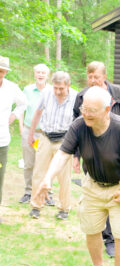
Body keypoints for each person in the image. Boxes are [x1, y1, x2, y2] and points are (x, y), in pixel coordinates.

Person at [33, 86, 120, 266]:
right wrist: (47, 178)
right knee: (91, 229)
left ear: (107, 109)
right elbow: (63, 154)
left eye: (92, 110)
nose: (86, 113)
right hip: (93, 185)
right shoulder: (79, 126)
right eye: (84, 108)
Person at [73, 61, 120, 258]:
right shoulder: (81, 96)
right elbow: (75, 126)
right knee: (96, 193)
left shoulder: (118, 93)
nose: (92, 80)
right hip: (92, 155)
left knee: (114, 196)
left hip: (117, 157)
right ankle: (102, 235)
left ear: (104, 77)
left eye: (96, 77)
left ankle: (112, 239)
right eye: (89, 76)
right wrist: (76, 155)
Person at [28, 71, 78, 219]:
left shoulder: (76, 97)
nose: (57, 91)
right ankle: (36, 206)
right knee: (39, 173)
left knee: (64, 177)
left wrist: (77, 148)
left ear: (68, 86)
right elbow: (37, 113)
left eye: (61, 89)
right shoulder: (47, 93)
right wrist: (31, 133)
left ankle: (64, 208)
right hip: (45, 137)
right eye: (55, 87)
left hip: (65, 140)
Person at [19, 64, 55, 205]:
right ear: (34, 74)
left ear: (47, 75)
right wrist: (22, 127)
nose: (40, 75)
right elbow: (21, 109)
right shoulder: (27, 90)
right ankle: (28, 192)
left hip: (46, 133)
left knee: (47, 165)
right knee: (29, 163)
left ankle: (48, 193)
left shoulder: (53, 90)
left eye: (43, 73)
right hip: (29, 131)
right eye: (38, 72)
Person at [0, 56, 27, 205]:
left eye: (2, 71)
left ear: (5, 72)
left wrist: (14, 115)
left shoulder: (11, 88)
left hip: (2, 140)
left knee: (0, 176)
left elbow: (23, 103)